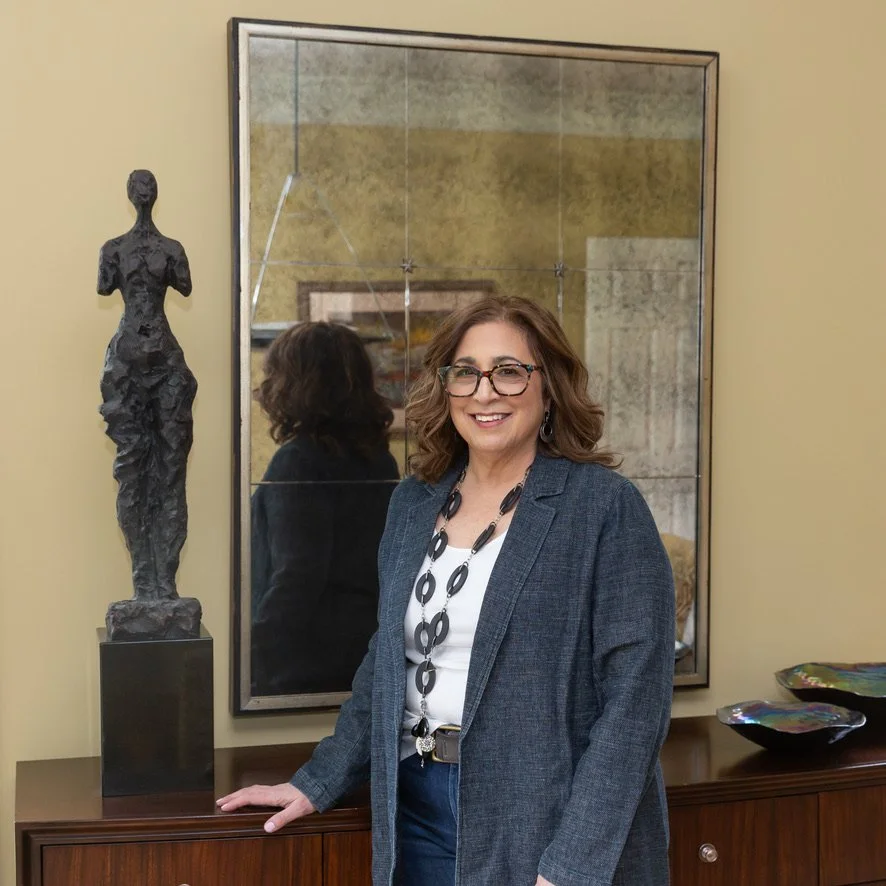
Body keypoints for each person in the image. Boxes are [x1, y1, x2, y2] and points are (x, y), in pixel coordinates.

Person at [219, 295, 676, 886]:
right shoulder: (413, 502)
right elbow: (386, 665)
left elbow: (634, 710)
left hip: (544, 815)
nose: (485, 392)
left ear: (549, 387)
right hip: (417, 807)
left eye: (509, 372)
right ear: (447, 388)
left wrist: (570, 869)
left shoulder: (605, 509)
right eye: (466, 372)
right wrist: (317, 782)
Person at [250, 322, 400, 696]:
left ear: (296, 383)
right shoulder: (379, 460)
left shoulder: (297, 461)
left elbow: (296, 577)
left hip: (298, 666)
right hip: (360, 657)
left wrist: (251, 657)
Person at [98, 169, 197, 605]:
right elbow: (184, 284)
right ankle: (147, 583)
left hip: (153, 363)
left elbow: (105, 286)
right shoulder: (168, 250)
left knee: (161, 472)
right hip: (131, 366)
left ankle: (161, 583)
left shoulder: (115, 251)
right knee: (139, 472)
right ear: (152, 196)